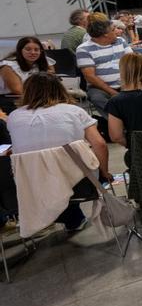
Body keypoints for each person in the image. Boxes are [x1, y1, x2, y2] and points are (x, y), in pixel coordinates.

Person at [6, 72, 111, 232]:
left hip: (33, 186)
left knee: (51, 173)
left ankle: (71, 219)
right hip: (81, 184)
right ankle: (73, 217)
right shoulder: (73, 111)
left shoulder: (13, 117)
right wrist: (104, 172)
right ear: (59, 89)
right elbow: (100, 144)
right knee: (67, 169)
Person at [76, 18, 133, 110]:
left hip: (127, 83)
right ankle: (118, 121)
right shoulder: (84, 49)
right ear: (105, 34)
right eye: (113, 29)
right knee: (97, 98)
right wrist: (112, 92)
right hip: (101, 88)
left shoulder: (120, 41)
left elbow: (133, 62)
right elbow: (90, 77)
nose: (117, 31)